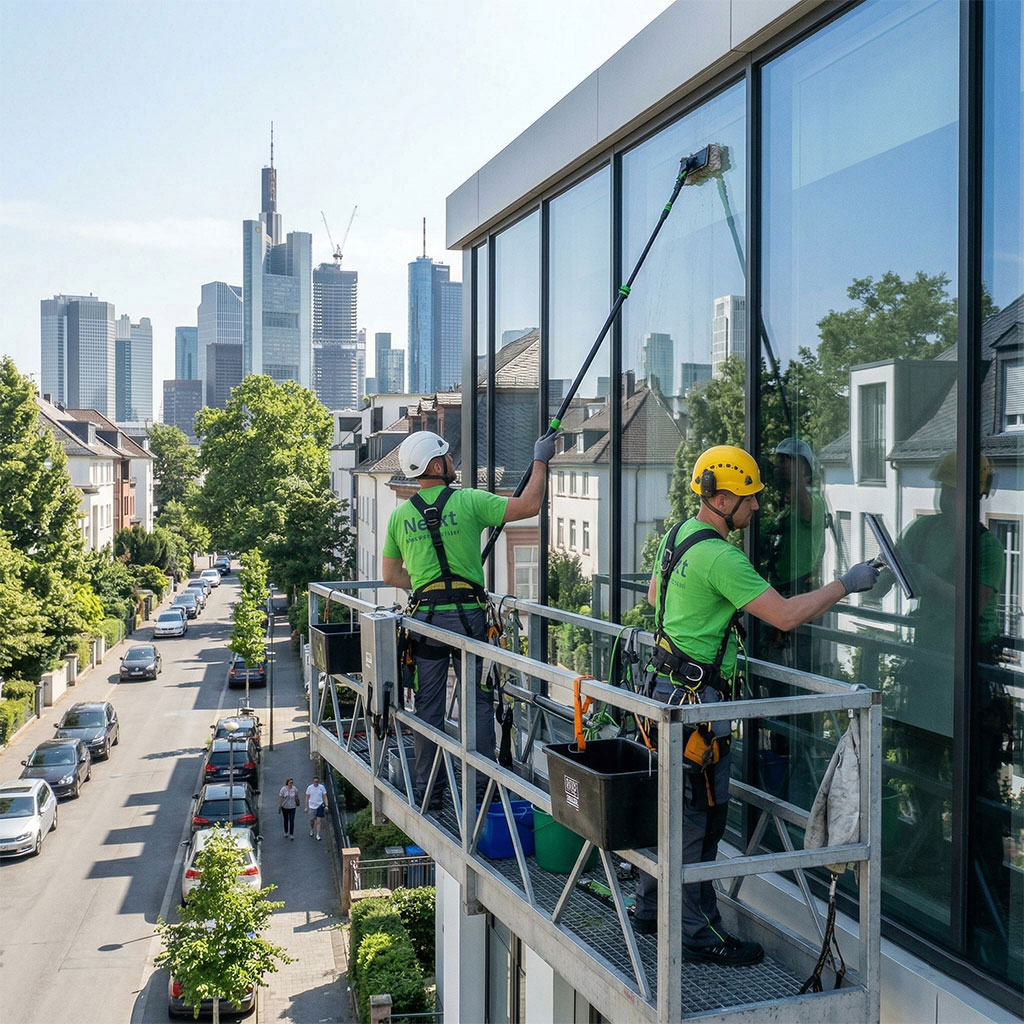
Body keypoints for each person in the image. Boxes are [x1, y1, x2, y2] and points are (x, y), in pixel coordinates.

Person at [632, 444, 880, 966]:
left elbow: (657, 596)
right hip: (697, 706)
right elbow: (786, 616)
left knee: (672, 811)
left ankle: (652, 908)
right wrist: (845, 584)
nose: (757, 507)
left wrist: (706, 613)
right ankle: (697, 935)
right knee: (701, 818)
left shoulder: (678, 535)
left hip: (663, 690)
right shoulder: (722, 556)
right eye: (748, 499)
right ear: (720, 499)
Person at [382, 429, 555, 809]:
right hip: (469, 621)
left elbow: (391, 576)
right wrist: (540, 459)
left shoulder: (400, 518)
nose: (453, 464)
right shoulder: (469, 502)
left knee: (428, 708)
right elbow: (528, 506)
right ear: (437, 464)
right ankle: (480, 791)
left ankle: (430, 792)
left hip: (425, 622)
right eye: (448, 458)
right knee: (477, 704)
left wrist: (427, 585)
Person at [305, 774, 329, 840]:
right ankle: (312, 829)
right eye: (315, 781)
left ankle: (318, 834)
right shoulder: (309, 788)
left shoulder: (322, 787)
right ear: (313, 781)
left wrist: (326, 805)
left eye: (317, 781)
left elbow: (324, 796)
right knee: (312, 820)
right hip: (312, 806)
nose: (316, 783)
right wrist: (306, 806)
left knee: (319, 821)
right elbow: (307, 797)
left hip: (320, 806)